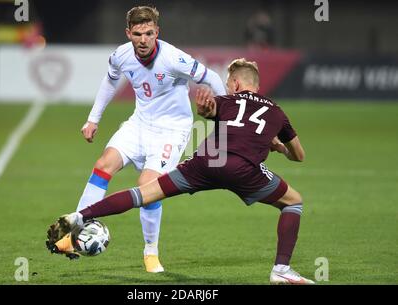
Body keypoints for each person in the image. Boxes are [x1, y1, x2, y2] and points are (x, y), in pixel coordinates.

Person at [47, 58, 314, 284]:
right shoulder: (278, 113)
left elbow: (207, 111)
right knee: (293, 202)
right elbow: (299, 156)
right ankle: (281, 270)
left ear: (234, 83)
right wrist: (278, 146)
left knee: (143, 194)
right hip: (244, 169)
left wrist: (205, 110)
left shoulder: (227, 101)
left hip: (206, 162)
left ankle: (80, 215)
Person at [49, 6, 226, 273]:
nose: (143, 39)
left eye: (149, 33)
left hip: (171, 130)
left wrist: (226, 117)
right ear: (128, 33)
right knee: (103, 164)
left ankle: (150, 252)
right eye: (138, 33)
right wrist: (93, 119)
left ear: (157, 33)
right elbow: (110, 81)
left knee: (147, 186)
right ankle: (76, 235)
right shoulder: (121, 55)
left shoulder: (173, 58)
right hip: (139, 124)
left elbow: (211, 77)